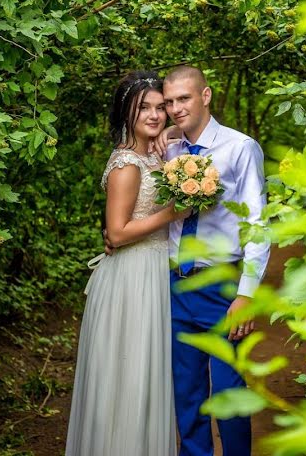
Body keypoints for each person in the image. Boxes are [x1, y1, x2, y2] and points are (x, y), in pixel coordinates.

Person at [65, 71, 187, 456]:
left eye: (159, 107)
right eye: (143, 109)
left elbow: (170, 134)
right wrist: (173, 213)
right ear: (126, 113)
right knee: (128, 376)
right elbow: (116, 233)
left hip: (153, 272)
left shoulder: (157, 151)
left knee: (148, 374)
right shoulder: (126, 163)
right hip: (131, 277)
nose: (154, 116)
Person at [160, 65, 270, 456]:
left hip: (222, 286)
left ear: (205, 96)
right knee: (187, 394)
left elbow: (258, 225)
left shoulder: (240, 147)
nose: (175, 108)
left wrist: (246, 295)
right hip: (175, 285)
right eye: (169, 101)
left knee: (227, 392)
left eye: (184, 98)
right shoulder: (168, 148)